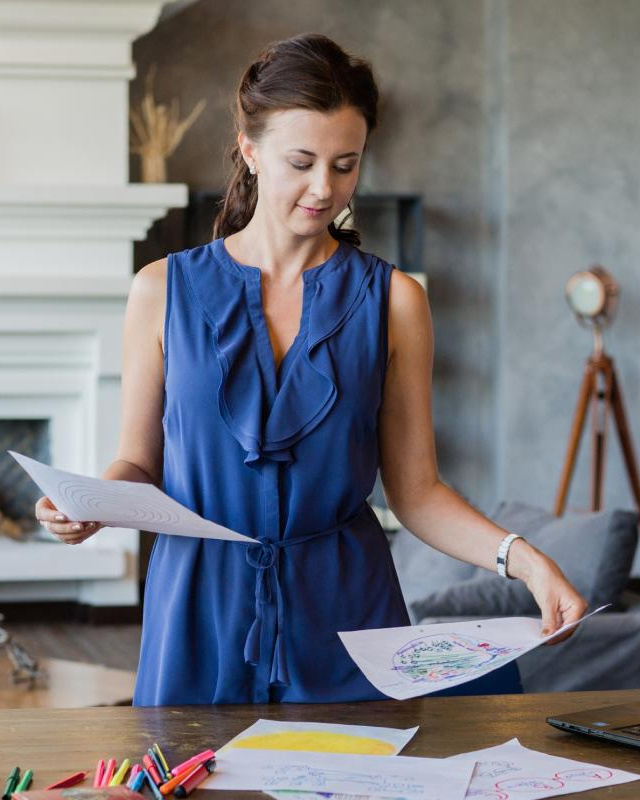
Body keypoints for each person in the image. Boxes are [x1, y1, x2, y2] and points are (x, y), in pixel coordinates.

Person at [34, 33, 587, 705]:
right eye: (301, 161)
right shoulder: (159, 290)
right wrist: (87, 506)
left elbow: (416, 492)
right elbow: (138, 464)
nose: (324, 189)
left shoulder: (396, 301)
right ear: (250, 149)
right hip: (195, 610)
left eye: (346, 165)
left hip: (346, 611)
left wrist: (525, 561)